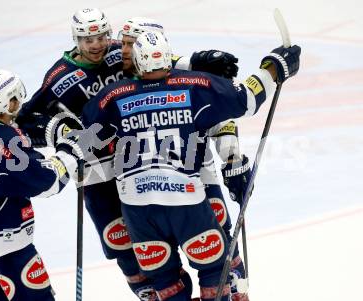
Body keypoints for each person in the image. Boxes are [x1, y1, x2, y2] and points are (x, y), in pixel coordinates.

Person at [16, 8, 245, 300]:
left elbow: (162, 65)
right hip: (100, 172)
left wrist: (197, 61)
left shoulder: (119, 53)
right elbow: (25, 121)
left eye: (101, 36)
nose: (97, 44)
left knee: (214, 235)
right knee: (129, 249)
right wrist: (60, 129)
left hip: (152, 161)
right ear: (75, 39)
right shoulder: (61, 78)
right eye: (88, 39)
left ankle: (234, 291)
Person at [81, 31, 300, 301]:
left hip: (136, 206)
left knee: (164, 281)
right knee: (215, 270)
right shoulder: (193, 86)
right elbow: (247, 98)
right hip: (184, 198)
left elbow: (85, 133)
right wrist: (275, 66)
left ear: (138, 61)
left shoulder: (113, 95)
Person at [119, 18, 252, 300]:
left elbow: (220, 116)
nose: (126, 50)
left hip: (197, 172)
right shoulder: (116, 78)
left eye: (133, 44)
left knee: (219, 245)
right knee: (152, 263)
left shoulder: (179, 73)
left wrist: (231, 158)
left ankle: (233, 290)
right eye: (126, 43)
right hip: (140, 184)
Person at [0, 69, 81, 301]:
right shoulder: (6, 148)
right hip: (7, 243)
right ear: (9, 101)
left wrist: (51, 132)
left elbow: (13, 140)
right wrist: (70, 151)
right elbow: (47, 182)